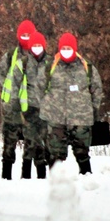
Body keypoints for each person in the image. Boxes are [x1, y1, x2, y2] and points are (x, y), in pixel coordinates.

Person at [37, 32, 103, 175]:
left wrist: (93, 110)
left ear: (75, 49)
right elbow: (39, 88)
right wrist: (48, 107)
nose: (66, 51)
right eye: (64, 48)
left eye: (69, 48)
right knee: (55, 153)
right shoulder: (50, 67)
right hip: (56, 118)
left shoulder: (86, 67)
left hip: (81, 118)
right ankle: (56, 184)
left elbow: (96, 90)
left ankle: (87, 180)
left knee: (82, 152)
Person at [0, 19, 36, 179]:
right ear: (19, 36)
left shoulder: (38, 54)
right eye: (23, 34)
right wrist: (14, 90)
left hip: (32, 107)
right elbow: (1, 74)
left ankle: (26, 176)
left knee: (32, 143)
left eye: (29, 34)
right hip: (11, 108)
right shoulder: (10, 56)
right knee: (9, 142)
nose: (26, 37)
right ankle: (6, 176)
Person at [22, 32, 51, 179]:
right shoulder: (24, 63)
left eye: (39, 45)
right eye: (35, 45)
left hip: (47, 109)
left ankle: (45, 176)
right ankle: (25, 175)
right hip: (29, 108)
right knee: (30, 142)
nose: (37, 48)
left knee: (46, 143)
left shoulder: (51, 63)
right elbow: (14, 84)